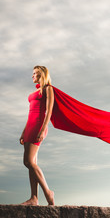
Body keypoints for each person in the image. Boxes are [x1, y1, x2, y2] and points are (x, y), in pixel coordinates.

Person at [19, 65, 54, 206]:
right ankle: (34, 198)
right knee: (32, 164)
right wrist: (23, 131)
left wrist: (43, 128)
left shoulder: (48, 89)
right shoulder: (36, 91)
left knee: (28, 162)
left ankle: (48, 192)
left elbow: (49, 111)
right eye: (33, 73)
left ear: (43, 75)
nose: (33, 76)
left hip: (38, 126)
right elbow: (30, 114)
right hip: (29, 127)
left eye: (36, 74)